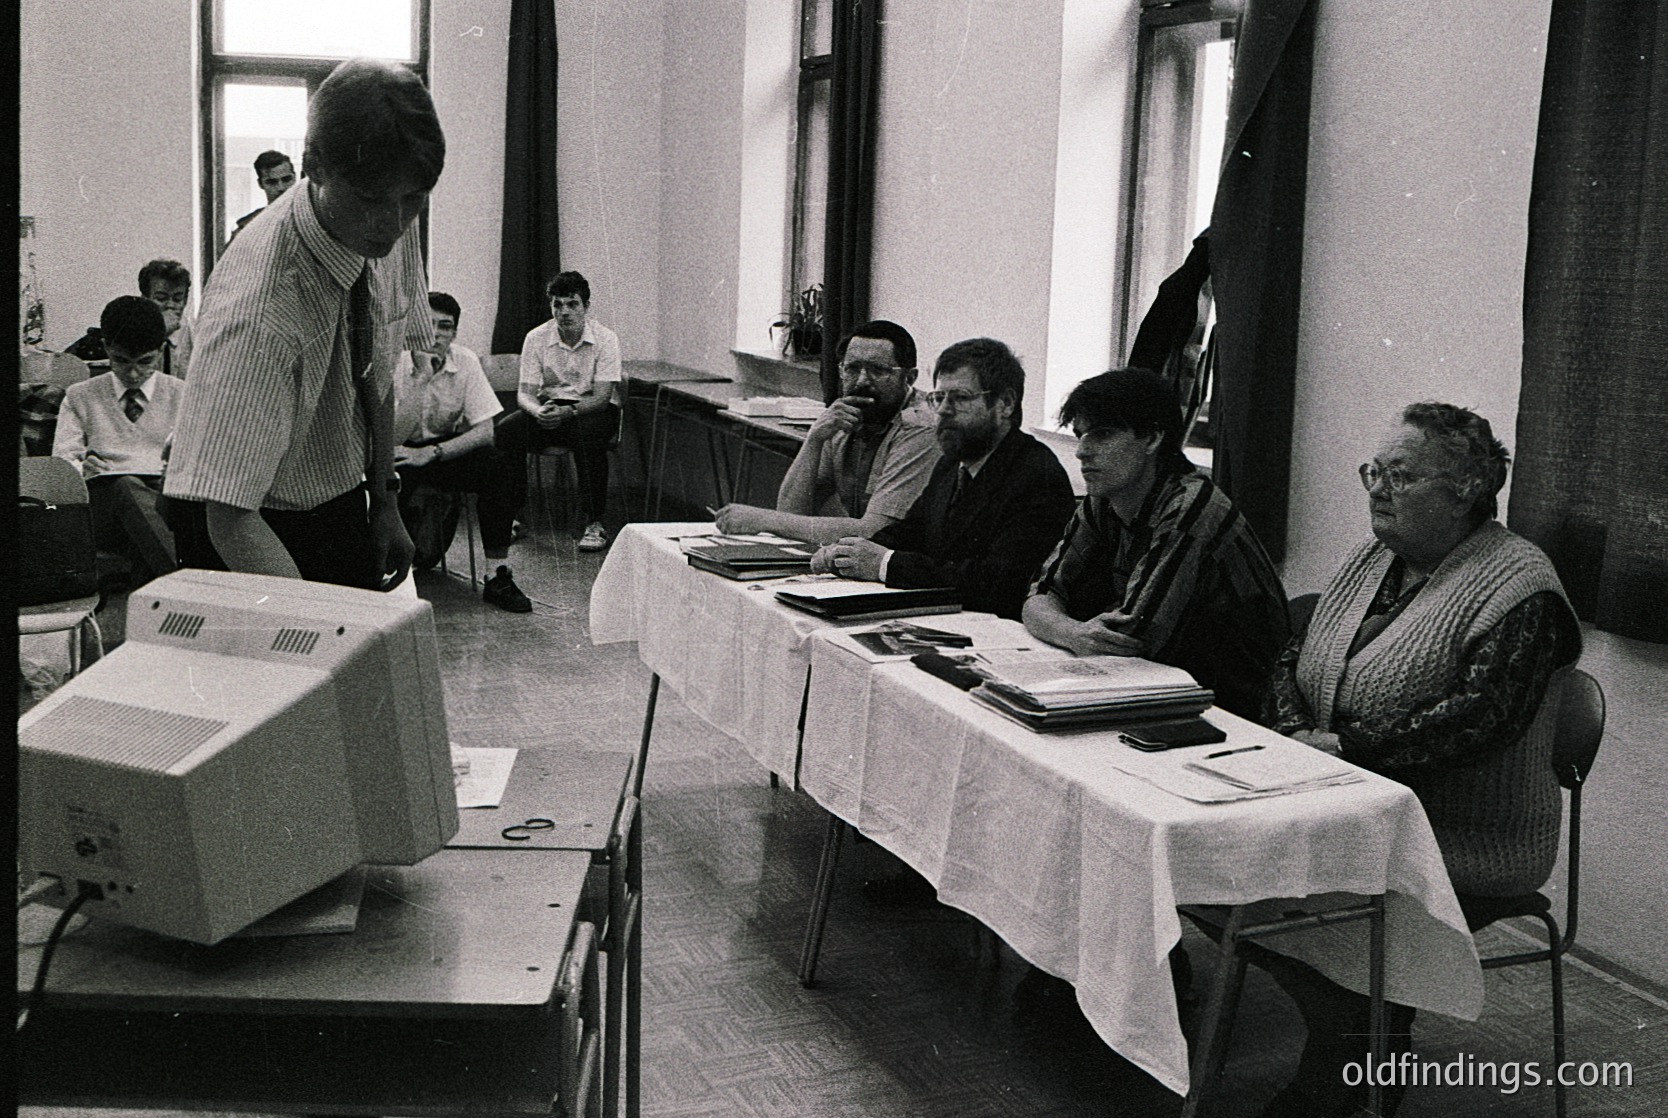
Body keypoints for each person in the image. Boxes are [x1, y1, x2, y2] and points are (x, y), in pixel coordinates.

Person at [1255, 401, 1581, 1118]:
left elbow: (1478, 722)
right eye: (1374, 471)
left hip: (1463, 839)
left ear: (1465, 489)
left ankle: (1356, 1051)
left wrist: (1342, 748)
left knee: (1283, 897)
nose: (1376, 489)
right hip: (1351, 804)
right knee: (1222, 886)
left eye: (1399, 476)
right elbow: (1296, 653)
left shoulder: (1520, 587)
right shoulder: (1377, 558)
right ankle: (1360, 1029)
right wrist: (1292, 729)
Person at [163, 58, 443, 591]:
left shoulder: (388, 208)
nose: (391, 225)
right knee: (299, 662)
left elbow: (377, 371)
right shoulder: (262, 310)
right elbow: (227, 518)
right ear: (311, 165)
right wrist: (308, 629)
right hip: (240, 523)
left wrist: (384, 499)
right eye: (369, 201)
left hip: (332, 491)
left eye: (412, 199)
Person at [1023, 368, 1289, 719]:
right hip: (1166, 692)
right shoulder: (1104, 498)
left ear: (1152, 439)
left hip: (1238, 711)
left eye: (1102, 435)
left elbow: (1128, 641)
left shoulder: (1192, 511)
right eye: (1080, 435)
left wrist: (1069, 629)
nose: (1082, 452)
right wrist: (1074, 633)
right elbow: (1039, 597)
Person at [811, 336, 1076, 620]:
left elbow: (998, 583)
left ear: (1006, 403)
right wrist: (847, 553)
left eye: (960, 398)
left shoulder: (1037, 475)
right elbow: (908, 533)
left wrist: (884, 563)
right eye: (939, 398)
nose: (944, 412)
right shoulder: (952, 463)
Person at [712, 320, 939, 545]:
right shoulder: (846, 416)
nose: (862, 380)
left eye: (877, 370)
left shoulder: (921, 427)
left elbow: (875, 532)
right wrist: (815, 438)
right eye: (852, 368)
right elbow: (792, 511)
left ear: (909, 378)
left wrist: (763, 520)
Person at [393, 292, 531, 613]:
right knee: (389, 475)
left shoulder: (465, 360)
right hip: (396, 451)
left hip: (440, 451)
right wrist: (422, 378)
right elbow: (393, 436)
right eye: (429, 325)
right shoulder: (395, 360)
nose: (437, 334)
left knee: (499, 464)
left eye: (445, 326)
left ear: (454, 333)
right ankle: (390, 574)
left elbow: (485, 432)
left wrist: (434, 453)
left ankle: (496, 574)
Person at [51, 296, 183, 586]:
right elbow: (63, 464)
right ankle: (189, 588)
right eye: (121, 361)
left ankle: (157, 609)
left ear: (160, 352)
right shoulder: (79, 396)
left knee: (146, 534)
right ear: (107, 348)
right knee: (126, 488)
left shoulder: (182, 395)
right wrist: (79, 467)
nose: (134, 373)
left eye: (145, 361)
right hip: (104, 506)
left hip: (163, 500)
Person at [510, 270, 621, 552]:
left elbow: (602, 396)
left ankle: (594, 522)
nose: (564, 312)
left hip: (592, 409)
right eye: (557, 305)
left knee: (588, 438)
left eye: (572, 304)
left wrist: (568, 413)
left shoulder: (606, 339)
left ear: (586, 307)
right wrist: (537, 412)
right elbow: (524, 393)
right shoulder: (536, 338)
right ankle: (510, 515)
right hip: (549, 408)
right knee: (506, 433)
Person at [138, 258, 192, 377]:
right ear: (145, 299)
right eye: (161, 299)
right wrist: (159, 333)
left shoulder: (196, 334)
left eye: (177, 299)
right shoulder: (132, 332)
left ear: (186, 300)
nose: (171, 305)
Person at [230, 150, 298, 238]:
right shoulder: (247, 227)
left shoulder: (315, 216)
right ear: (261, 184)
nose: (281, 187)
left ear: (295, 178)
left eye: (287, 179)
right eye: (272, 182)